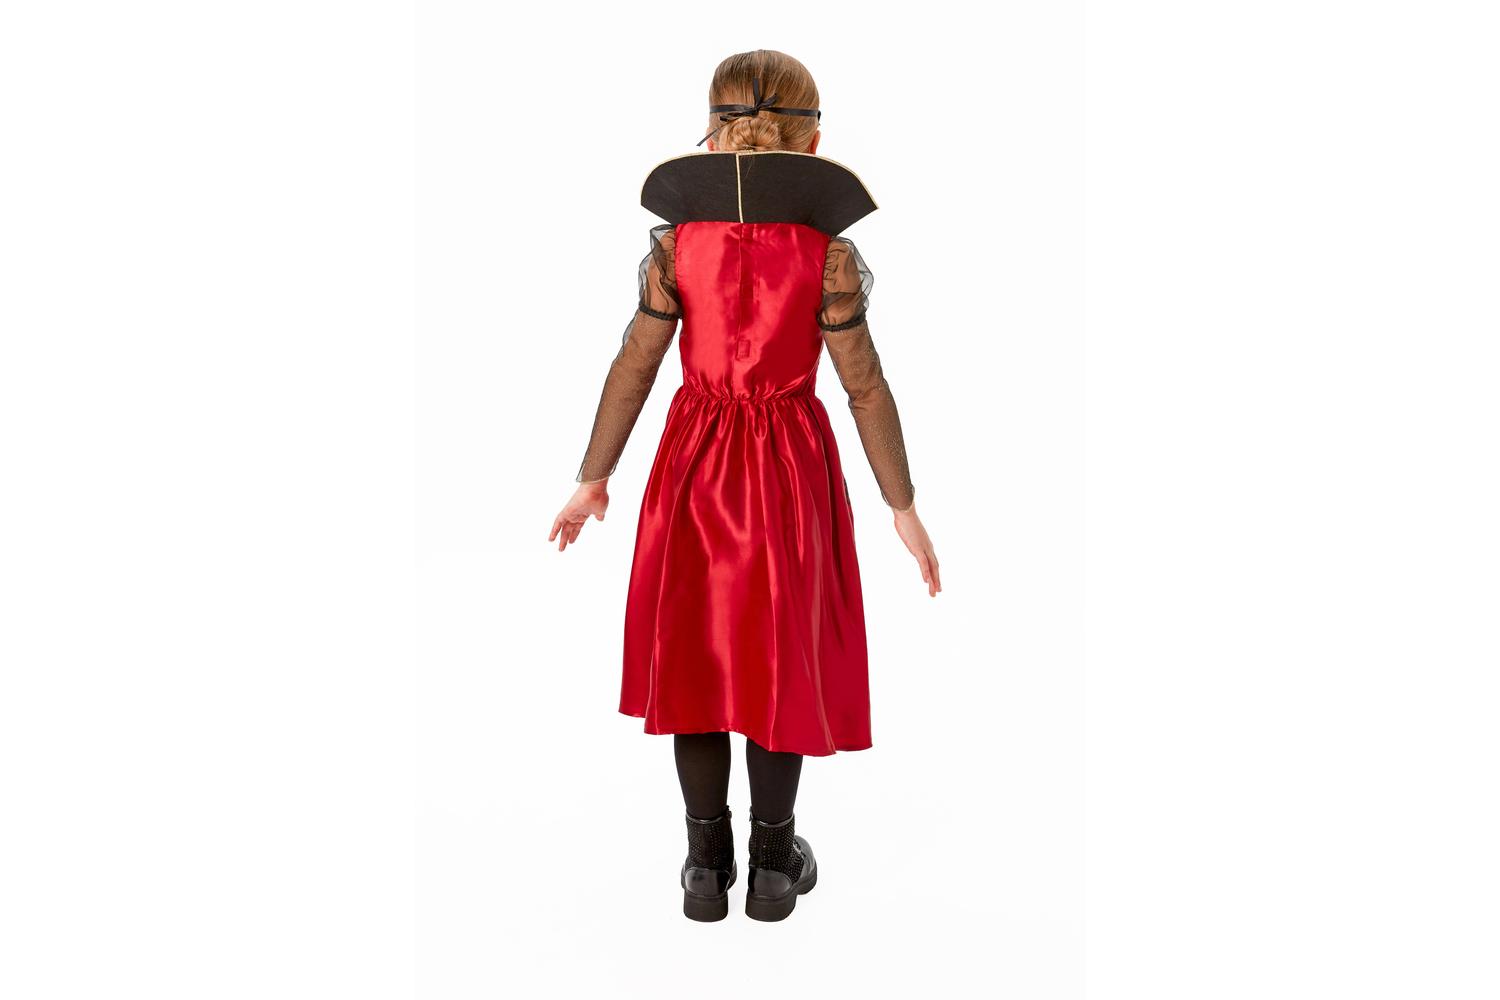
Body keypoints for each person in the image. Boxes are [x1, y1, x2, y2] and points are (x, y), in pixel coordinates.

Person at [549, 49, 941, 922]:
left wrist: (593, 478)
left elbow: (635, 363)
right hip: (790, 467)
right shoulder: (825, 254)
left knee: (695, 654)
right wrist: (903, 506)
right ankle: (771, 864)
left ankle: (704, 865)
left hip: (694, 463)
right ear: (813, 141)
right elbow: (864, 384)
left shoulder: (677, 245)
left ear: (712, 130)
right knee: (776, 657)